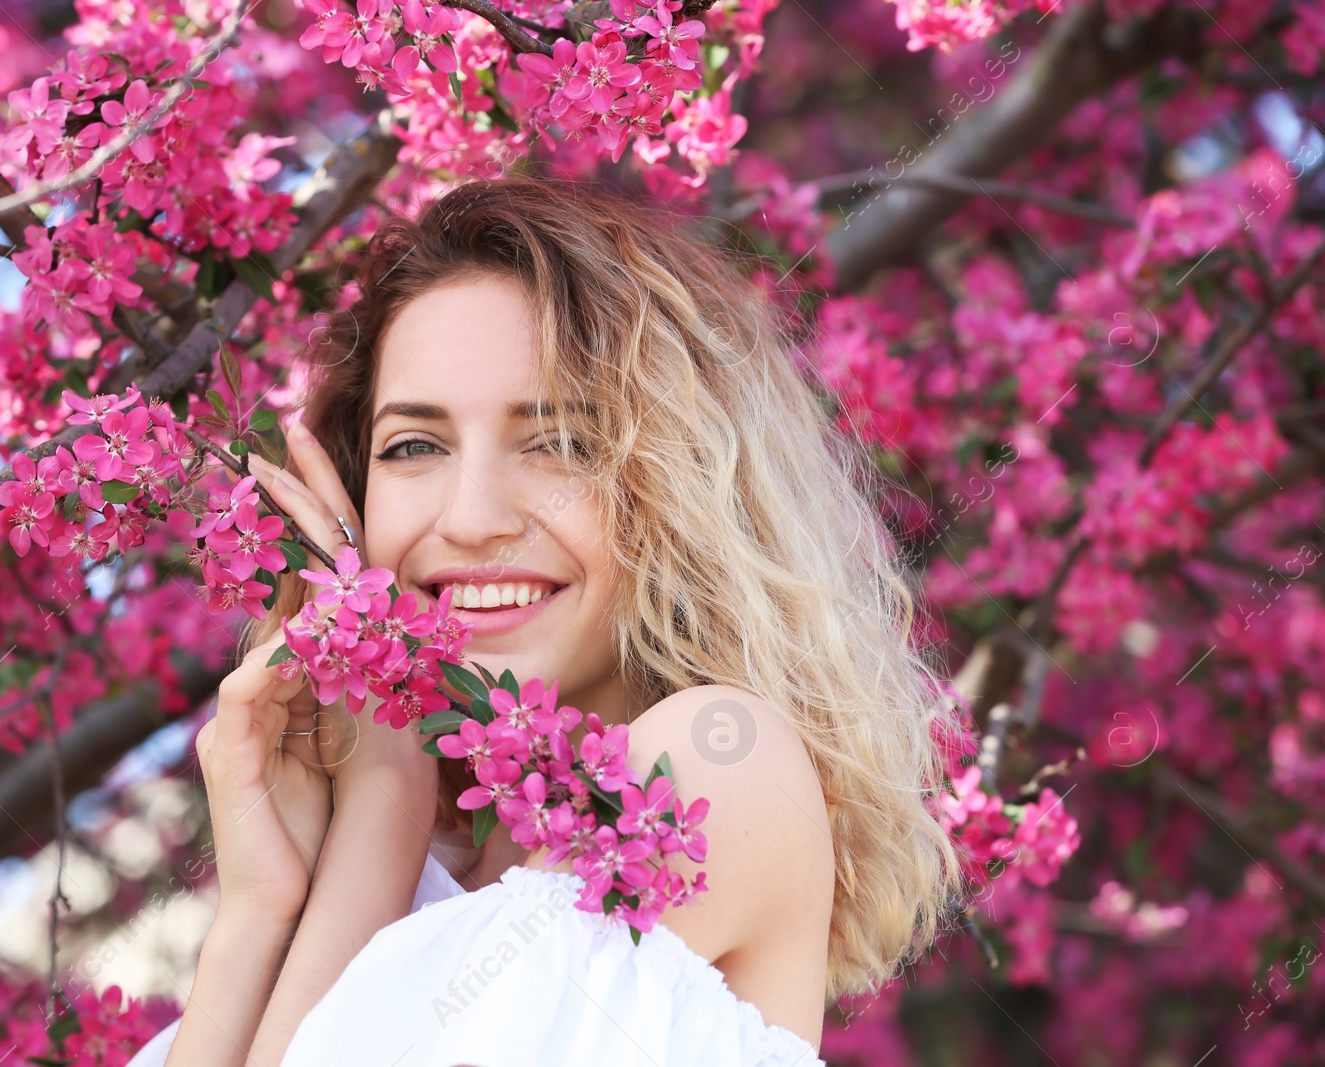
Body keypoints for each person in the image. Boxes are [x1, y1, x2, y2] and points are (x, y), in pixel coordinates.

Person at [124, 178, 966, 1067]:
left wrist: (383, 797)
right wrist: (258, 913)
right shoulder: (405, 859)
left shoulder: (721, 758)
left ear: (680, 483)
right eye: (415, 446)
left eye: (560, 440)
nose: (473, 517)